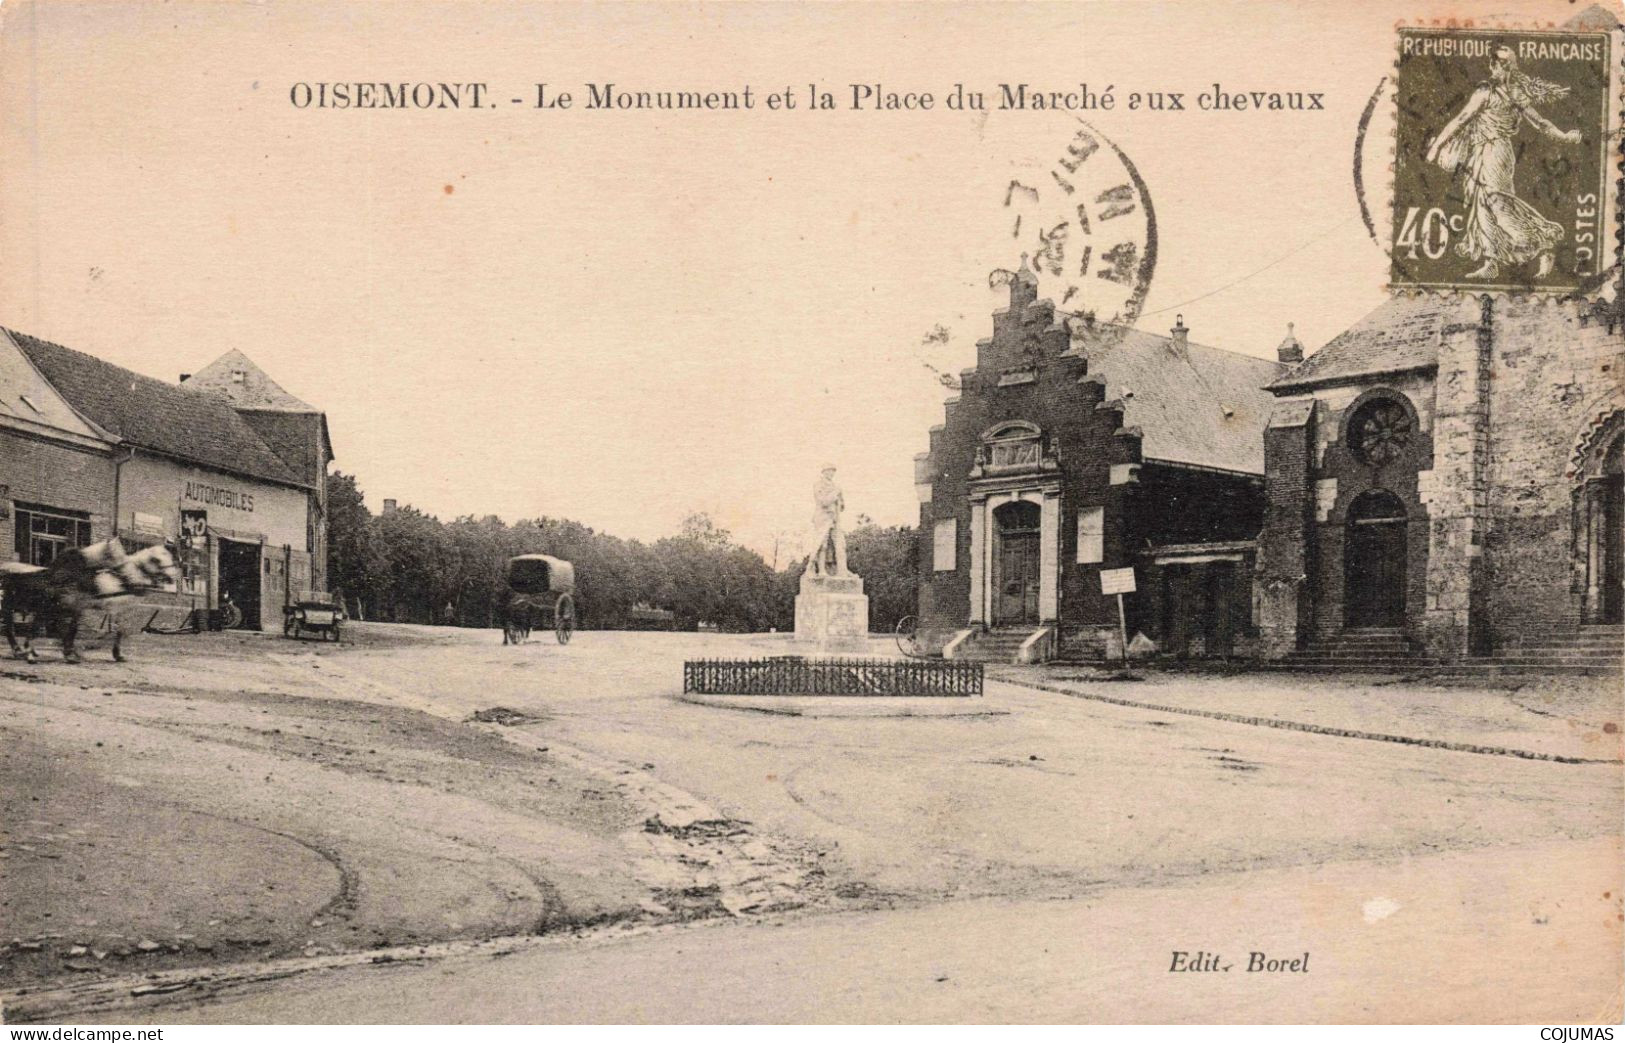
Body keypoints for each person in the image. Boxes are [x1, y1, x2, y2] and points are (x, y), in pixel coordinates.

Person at [1425, 46, 1582, 280]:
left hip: (1496, 152)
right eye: (1502, 63)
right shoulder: (1491, 91)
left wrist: (1437, 146)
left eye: (1508, 63)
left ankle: (1543, 246)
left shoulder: (1502, 93)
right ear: (1493, 65)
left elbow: (1539, 122)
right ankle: (1491, 262)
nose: (1504, 67)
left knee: (1498, 203)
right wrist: (1565, 136)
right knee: (1482, 204)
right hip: (1482, 151)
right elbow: (1462, 120)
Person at [807, 465, 846, 577]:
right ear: (823, 472)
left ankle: (841, 571)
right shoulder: (818, 485)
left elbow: (842, 505)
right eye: (829, 471)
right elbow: (823, 502)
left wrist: (841, 502)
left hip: (835, 519)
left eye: (833, 471)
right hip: (822, 517)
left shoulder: (836, 486)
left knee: (839, 545)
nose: (831, 473)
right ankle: (820, 570)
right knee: (821, 543)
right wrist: (835, 494)